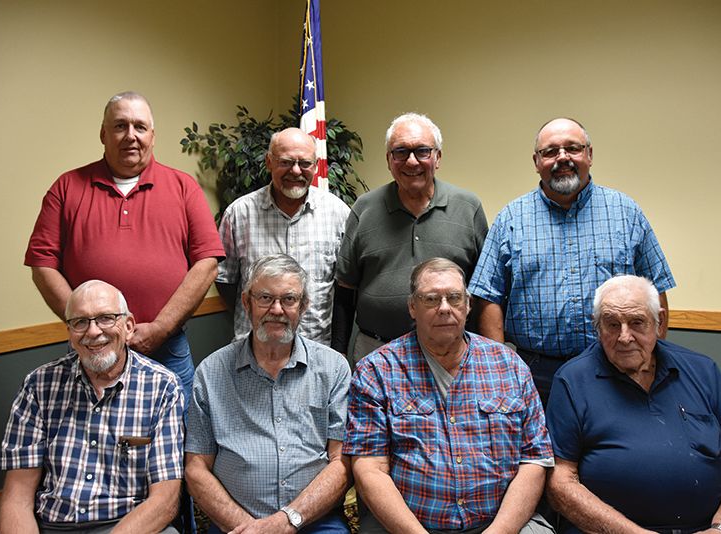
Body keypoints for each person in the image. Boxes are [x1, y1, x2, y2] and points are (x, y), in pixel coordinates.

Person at [24, 91, 225, 403]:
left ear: (153, 136)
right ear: (103, 134)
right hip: (92, 349)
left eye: (140, 127)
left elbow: (207, 263)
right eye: (119, 126)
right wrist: (88, 326)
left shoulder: (184, 187)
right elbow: (42, 265)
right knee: (90, 441)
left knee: (178, 442)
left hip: (167, 348)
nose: (130, 135)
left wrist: (161, 327)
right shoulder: (67, 187)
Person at [469, 117, 675, 404]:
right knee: (542, 449)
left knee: (610, 448)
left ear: (589, 155)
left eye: (572, 148)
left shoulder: (626, 213)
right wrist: (500, 367)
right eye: (550, 151)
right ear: (536, 161)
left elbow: (656, 289)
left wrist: (651, 358)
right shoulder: (510, 219)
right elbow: (488, 298)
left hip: (615, 365)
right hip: (534, 372)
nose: (562, 158)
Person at [344, 258, 555, 533]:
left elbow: (535, 460)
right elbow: (369, 469)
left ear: (467, 305)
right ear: (412, 307)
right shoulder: (376, 371)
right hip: (406, 526)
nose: (444, 308)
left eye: (454, 298)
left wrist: (499, 531)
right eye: (431, 299)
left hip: (501, 523)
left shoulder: (510, 366)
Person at [546, 275, 721, 533]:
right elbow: (559, 482)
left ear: (658, 321)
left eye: (637, 322)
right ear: (597, 326)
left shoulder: (702, 370)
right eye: (612, 324)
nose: (624, 337)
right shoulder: (572, 380)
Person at [0, 280, 185, 534]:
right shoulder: (38, 386)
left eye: (106, 318)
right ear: (69, 331)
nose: (93, 332)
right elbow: (17, 498)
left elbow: (164, 502)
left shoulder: (163, 386)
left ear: (128, 326)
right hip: (54, 525)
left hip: (130, 525)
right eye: (80, 322)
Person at [185, 254, 352, 533]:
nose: (276, 309)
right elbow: (196, 468)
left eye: (289, 299)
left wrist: (287, 521)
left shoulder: (333, 368)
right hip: (235, 525)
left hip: (314, 520)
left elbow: (341, 462)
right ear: (247, 303)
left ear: (304, 306)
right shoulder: (211, 372)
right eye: (265, 298)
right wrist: (250, 528)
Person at [332, 113, 488, 365]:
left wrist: (483, 351)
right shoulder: (364, 208)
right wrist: (338, 351)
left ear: (438, 158)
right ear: (388, 160)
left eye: (422, 151)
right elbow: (345, 289)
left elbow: (483, 291)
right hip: (376, 350)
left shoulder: (468, 207)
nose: (411, 161)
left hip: (450, 351)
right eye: (401, 152)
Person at [216, 127, 350, 345]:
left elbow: (344, 287)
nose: (296, 171)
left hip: (315, 349)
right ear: (269, 162)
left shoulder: (338, 213)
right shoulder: (239, 214)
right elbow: (226, 282)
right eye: (286, 162)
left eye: (305, 163)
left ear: (316, 166)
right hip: (253, 348)